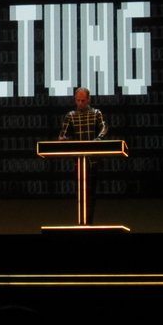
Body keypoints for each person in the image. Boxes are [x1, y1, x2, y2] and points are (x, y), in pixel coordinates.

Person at [57, 87, 108, 224]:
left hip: (93, 160)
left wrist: (98, 139)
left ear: (88, 99)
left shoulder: (96, 113)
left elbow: (104, 127)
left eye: (83, 100)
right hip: (78, 161)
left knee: (91, 193)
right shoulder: (70, 116)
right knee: (81, 193)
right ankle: (82, 223)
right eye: (78, 100)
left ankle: (88, 223)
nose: (80, 103)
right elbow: (62, 134)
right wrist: (64, 139)